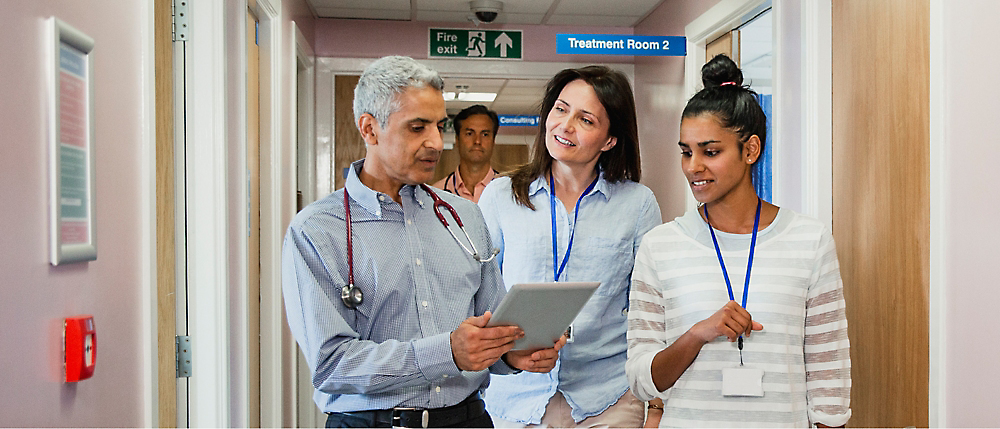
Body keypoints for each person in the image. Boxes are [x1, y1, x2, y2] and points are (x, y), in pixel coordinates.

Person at [282, 56, 565, 429]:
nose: (435, 142)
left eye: (439, 125)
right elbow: (332, 364)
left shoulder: (464, 217)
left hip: (469, 419)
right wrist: (446, 351)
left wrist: (512, 355)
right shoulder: (318, 230)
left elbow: (487, 328)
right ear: (370, 129)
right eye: (418, 127)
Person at [625, 54, 852, 427]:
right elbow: (642, 379)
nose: (693, 166)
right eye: (686, 152)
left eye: (710, 152)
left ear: (750, 150)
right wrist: (697, 334)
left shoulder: (809, 241)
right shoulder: (660, 246)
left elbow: (830, 377)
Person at [478, 65, 662, 428]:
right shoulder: (500, 196)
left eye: (586, 120)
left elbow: (651, 310)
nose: (564, 125)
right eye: (560, 109)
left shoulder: (637, 204)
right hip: (515, 399)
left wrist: (655, 405)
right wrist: (507, 357)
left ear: (610, 139)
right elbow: (479, 295)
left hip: (608, 397)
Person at [433, 104, 499, 203]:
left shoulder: (509, 192)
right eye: (469, 133)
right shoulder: (437, 193)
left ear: (493, 141)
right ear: (457, 140)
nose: (477, 141)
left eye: (485, 134)